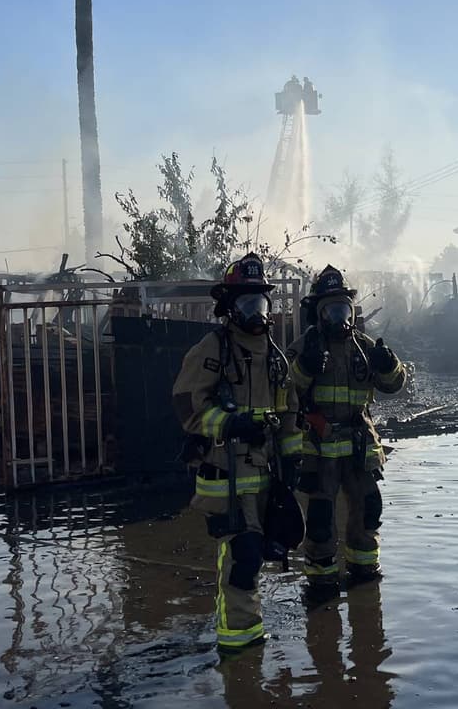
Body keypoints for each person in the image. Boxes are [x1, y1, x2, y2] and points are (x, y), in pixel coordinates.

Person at [171, 253, 304, 652]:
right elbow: (187, 407)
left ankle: (249, 635)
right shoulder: (212, 349)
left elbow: (289, 410)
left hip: (266, 474)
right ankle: (237, 648)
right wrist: (229, 423)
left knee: (263, 552)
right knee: (242, 558)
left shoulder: (275, 356)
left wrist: (293, 458)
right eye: (246, 303)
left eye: (260, 303)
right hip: (225, 473)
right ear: (229, 307)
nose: (255, 312)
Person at [287, 266, 405, 586]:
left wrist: (389, 364)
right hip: (319, 446)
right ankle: (321, 582)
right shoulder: (304, 347)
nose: (339, 316)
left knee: (368, 509)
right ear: (319, 312)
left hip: (359, 445)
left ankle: (365, 575)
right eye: (331, 309)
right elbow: (285, 392)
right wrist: (305, 367)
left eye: (344, 309)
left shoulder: (364, 347)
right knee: (322, 518)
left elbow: (394, 385)